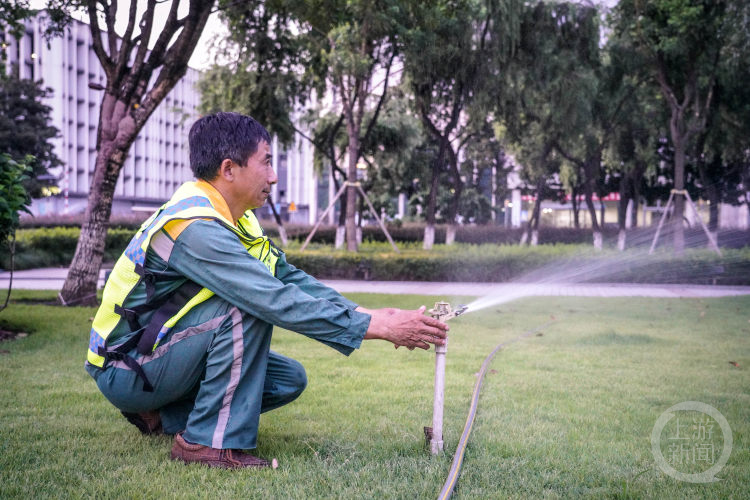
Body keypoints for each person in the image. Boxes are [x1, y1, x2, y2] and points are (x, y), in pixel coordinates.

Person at [85, 112, 448, 469]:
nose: (274, 177)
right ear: (229, 169)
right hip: (127, 368)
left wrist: (369, 315)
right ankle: (206, 444)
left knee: (287, 380)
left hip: (157, 358)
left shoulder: (235, 218)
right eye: (267, 163)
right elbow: (270, 298)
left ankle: (161, 414)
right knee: (243, 308)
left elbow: (287, 279)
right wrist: (376, 330)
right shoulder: (195, 227)